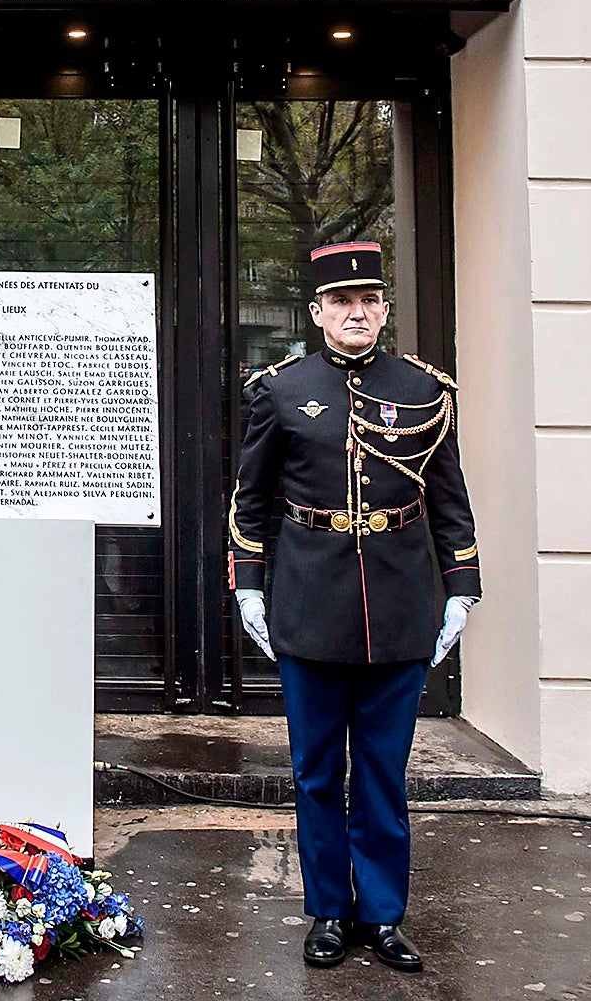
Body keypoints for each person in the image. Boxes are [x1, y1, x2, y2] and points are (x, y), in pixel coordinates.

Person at [227, 240, 480, 974]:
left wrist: (461, 587)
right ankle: (330, 911)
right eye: (341, 302)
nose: (357, 313)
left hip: (401, 601)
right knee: (313, 772)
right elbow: (253, 496)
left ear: (384, 309)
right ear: (317, 313)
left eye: (368, 300)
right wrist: (248, 583)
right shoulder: (281, 389)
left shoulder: (423, 389)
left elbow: (450, 498)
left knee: (381, 771)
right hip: (308, 602)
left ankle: (384, 914)